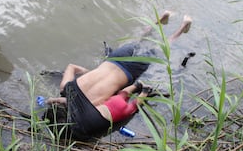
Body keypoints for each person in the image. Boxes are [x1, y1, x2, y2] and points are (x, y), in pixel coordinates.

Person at [44, 13, 193, 141]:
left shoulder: (91, 106)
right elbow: (71, 66)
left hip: (129, 71)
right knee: (139, 38)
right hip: (114, 59)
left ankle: (183, 26)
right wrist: (89, 73)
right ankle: (162, 17)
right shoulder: (66, 87)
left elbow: (110, 106)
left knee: (161, 48)